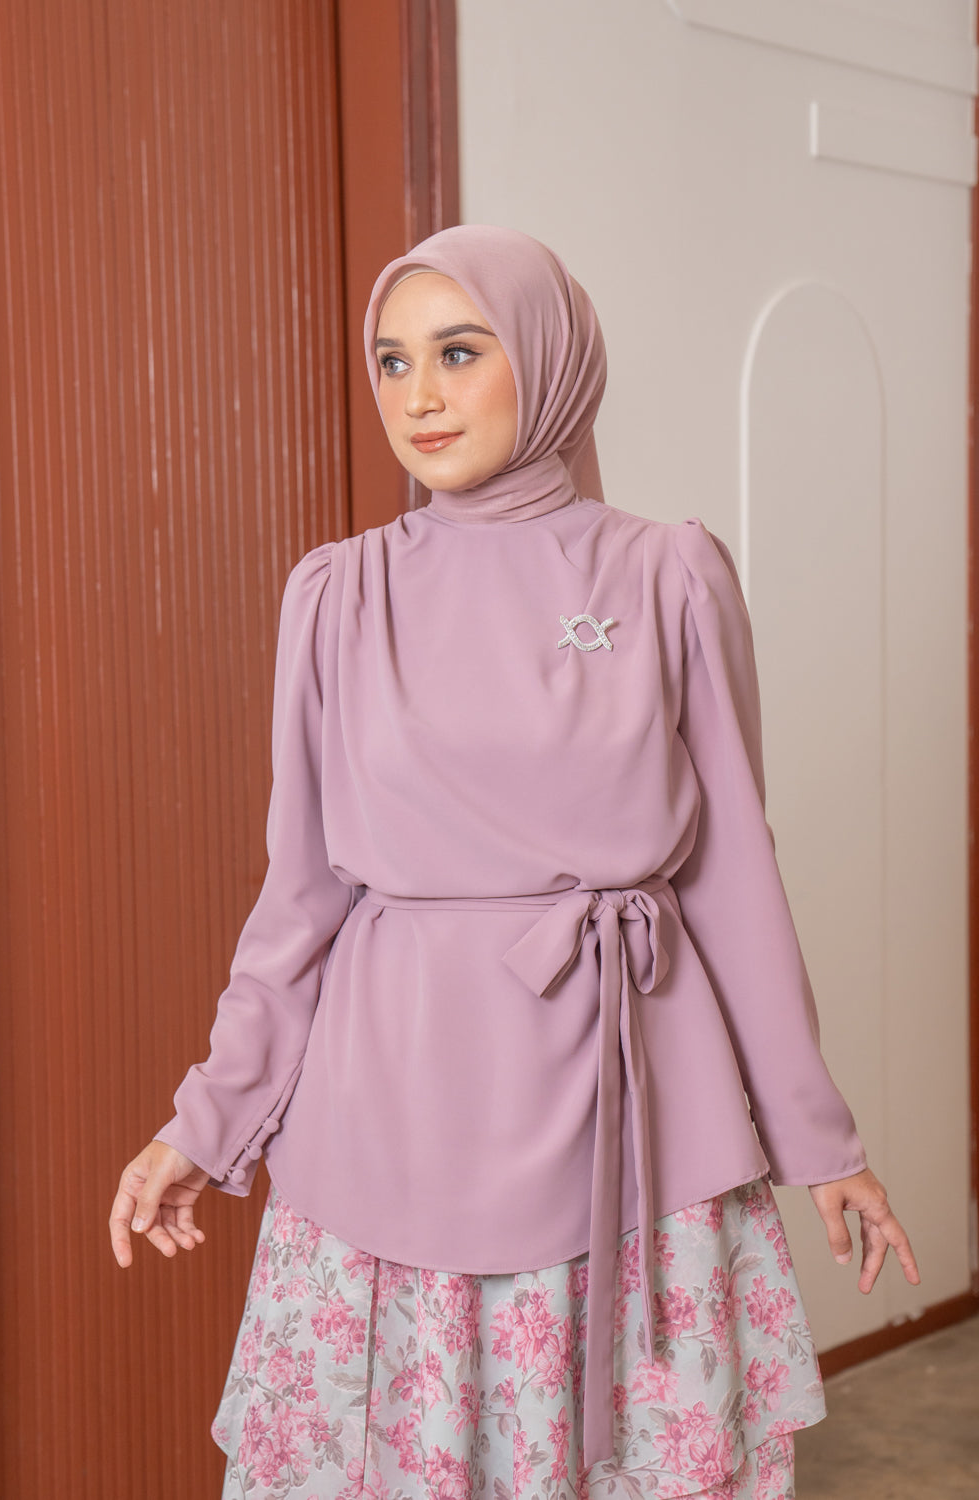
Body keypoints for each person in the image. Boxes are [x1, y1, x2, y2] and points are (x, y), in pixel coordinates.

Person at [109, 225, 919, 1500]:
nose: (417, 396)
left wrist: (822, 1142)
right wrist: (204, 1123)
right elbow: (299, 901)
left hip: (633, 1121)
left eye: (457, 352)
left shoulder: (667, 574)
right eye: (391, 361)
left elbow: (732, 882)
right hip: (393, 1121)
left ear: (547, 362)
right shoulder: (336, 595)